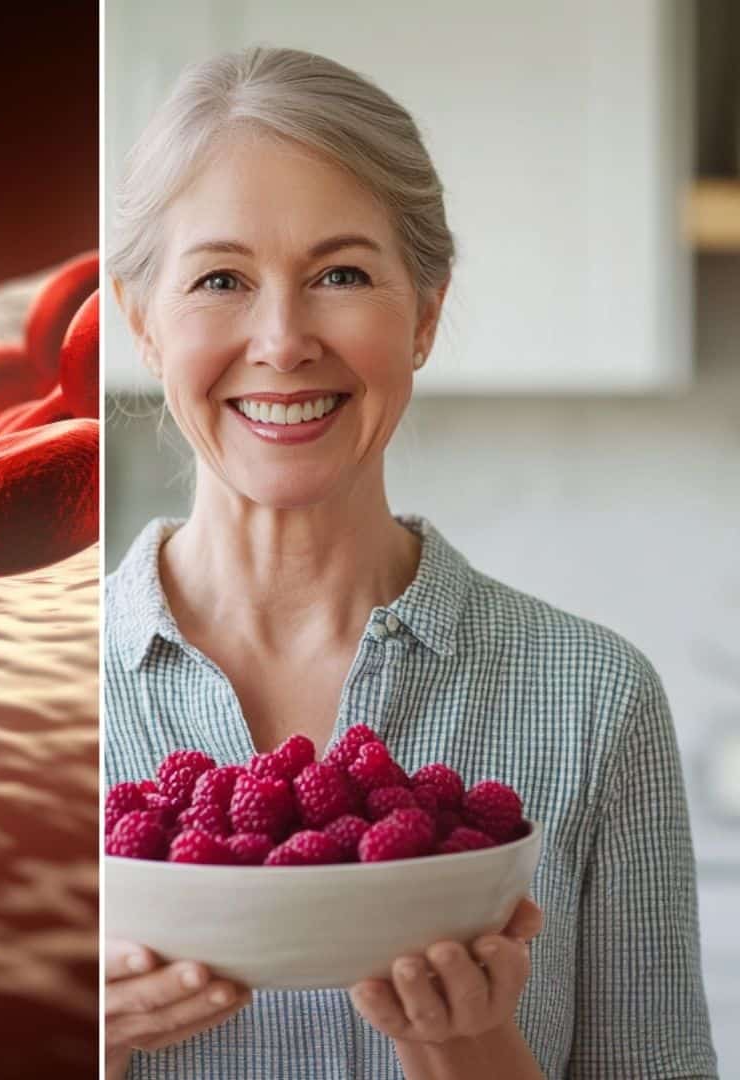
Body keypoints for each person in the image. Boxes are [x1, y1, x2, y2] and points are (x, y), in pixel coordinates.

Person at [103, 47, 715, 1079]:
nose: (283, 338)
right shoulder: (6, 702)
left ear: (424, 314)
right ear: (142, 323)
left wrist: (471, 1050)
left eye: (341, 274)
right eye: (221, 280)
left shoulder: (595, 701)